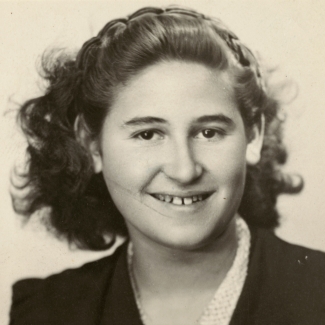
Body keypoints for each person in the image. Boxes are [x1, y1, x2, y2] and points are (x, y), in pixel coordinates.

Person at [9, 5, 325, 325]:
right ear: (92, 144)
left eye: (208, 132)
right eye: (148, 134)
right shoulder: (44, 313)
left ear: (253, 135)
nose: (184, 170)